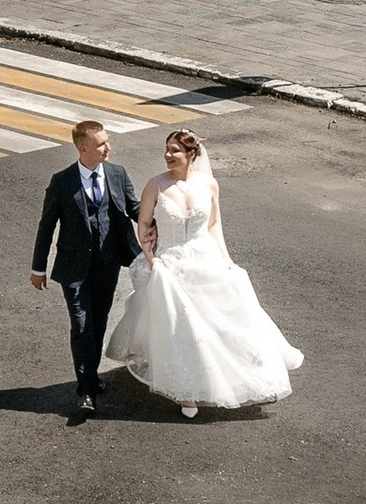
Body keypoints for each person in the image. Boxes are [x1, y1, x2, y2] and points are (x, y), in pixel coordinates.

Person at [106, 128, 302, 417]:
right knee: (183, 325)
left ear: (191, 155)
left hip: (204, 256)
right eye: (167, 149)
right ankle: (187, 392)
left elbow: (213, 225)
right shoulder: (155, 186)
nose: (168, 155)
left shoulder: (209, 185)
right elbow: (144, 225)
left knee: (225, 317)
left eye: (175, 150)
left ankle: (236, 375)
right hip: (171, 260)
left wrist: (226, 258)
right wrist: (152, 259)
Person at [31, 115, 140, 421]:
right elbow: (47, 225)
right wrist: (38, 267)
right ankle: (86, 391)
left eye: (107, 141)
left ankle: (90, 377)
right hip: (74, 267)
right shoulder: (62, 181)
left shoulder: (117, 174)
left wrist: (164, 225)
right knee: (81, 324)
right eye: (102, 143)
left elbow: (133, 209)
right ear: (83, 148)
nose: (108, 147)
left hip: (107, 263)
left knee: (99, 321)